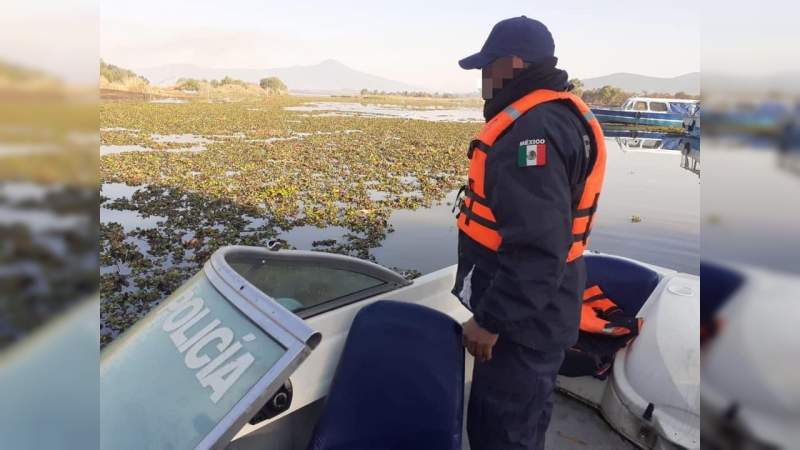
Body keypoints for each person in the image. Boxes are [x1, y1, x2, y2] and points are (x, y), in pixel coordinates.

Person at [452, 16, 607, 450]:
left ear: (514, 64)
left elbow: (538, 247)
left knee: (501, 431)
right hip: (546, 307)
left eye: (488, 67)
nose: (483, 79)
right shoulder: (558, 114)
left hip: (522, 323)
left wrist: (490, 320)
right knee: (526, 419)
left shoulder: (530, 132)